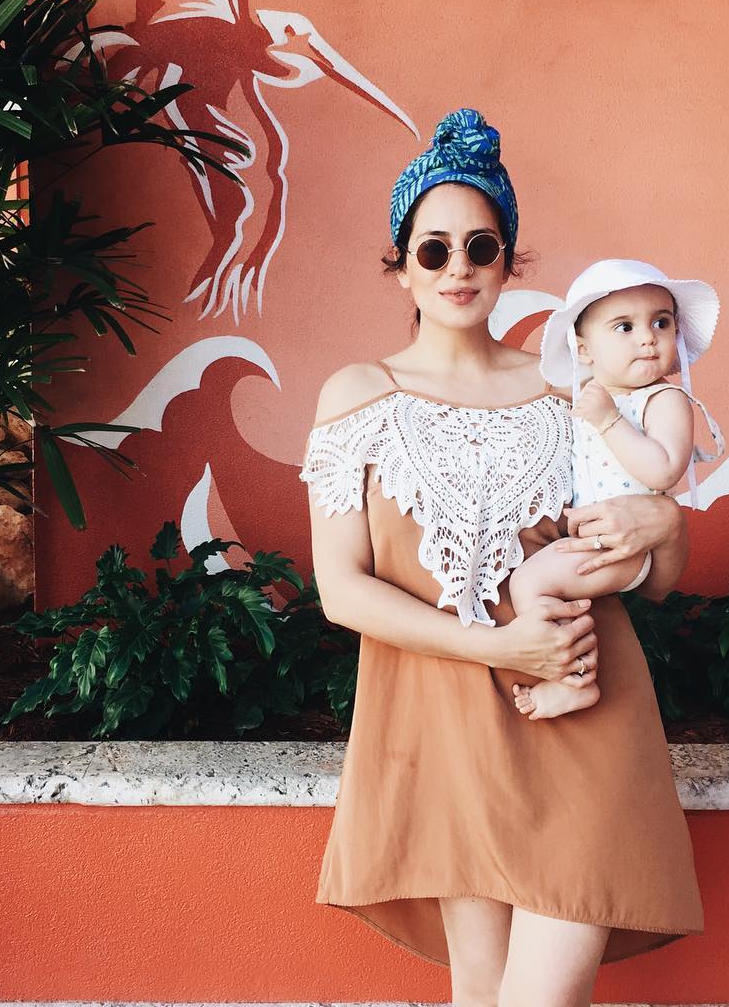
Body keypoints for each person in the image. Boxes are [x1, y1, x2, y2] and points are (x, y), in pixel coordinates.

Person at [298, 108, 703, 1007]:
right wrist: (496, 646)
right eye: (433, 249)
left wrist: (667, 528)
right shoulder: (359, 395)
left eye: (481, 247)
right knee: (481, 993)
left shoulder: (571, 390)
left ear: (510, 261)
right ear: (402, 263)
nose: (459, 268)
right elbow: (341, 590)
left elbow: (655, 579)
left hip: (585, 712)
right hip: (443, 730)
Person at [509, 258, 725, 721]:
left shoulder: (665, 399)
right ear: (584, 350)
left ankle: (573, 681)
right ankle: (577, 668)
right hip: (596, 541)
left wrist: (608, 421)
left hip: (626, 546)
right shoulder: (590, 399)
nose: (648, 337)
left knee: (529, 583)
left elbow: (664, 470)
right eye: (625, 326)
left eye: (661, 322)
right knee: (543, 589)